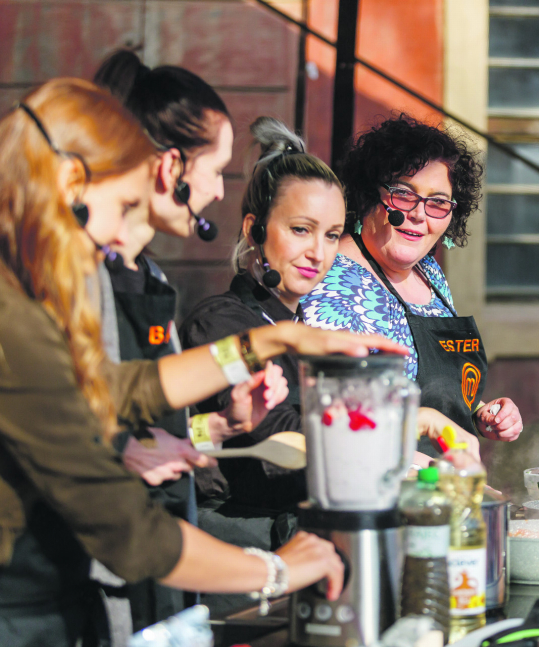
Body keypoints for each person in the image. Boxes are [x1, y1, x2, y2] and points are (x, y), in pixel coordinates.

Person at [0, 78, 408, 647]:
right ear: (72, 184)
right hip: (1, 609)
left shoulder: (4, 290)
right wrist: (278, 570)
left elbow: (117, 387)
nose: (118, 237)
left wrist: (270, 343)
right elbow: (123, 523)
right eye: (122, 206)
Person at [179, 117, 480, 612]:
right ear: (256, 229)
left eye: (332, 234)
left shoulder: (308, 332)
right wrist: (407, 434)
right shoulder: (223, 322)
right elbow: (279, 434)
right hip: (243, 565)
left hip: (313, 556)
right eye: (301, 230)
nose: (317, 253)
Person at [92, 50, 240, 629]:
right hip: (98, 574)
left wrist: (222, 426)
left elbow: (159, 424)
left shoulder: (150, 277)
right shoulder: (75, 280)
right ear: (170, 168)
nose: (221, 194)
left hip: (161, 561)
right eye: (218, 171)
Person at [302, 115, 523, 460]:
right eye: (404, 194)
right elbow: (336, 422)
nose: (420, 214)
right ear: (368, 194)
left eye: (438, 202)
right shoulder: (330, 281)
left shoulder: (429, 273)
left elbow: (434, 386)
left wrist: (481, 411)